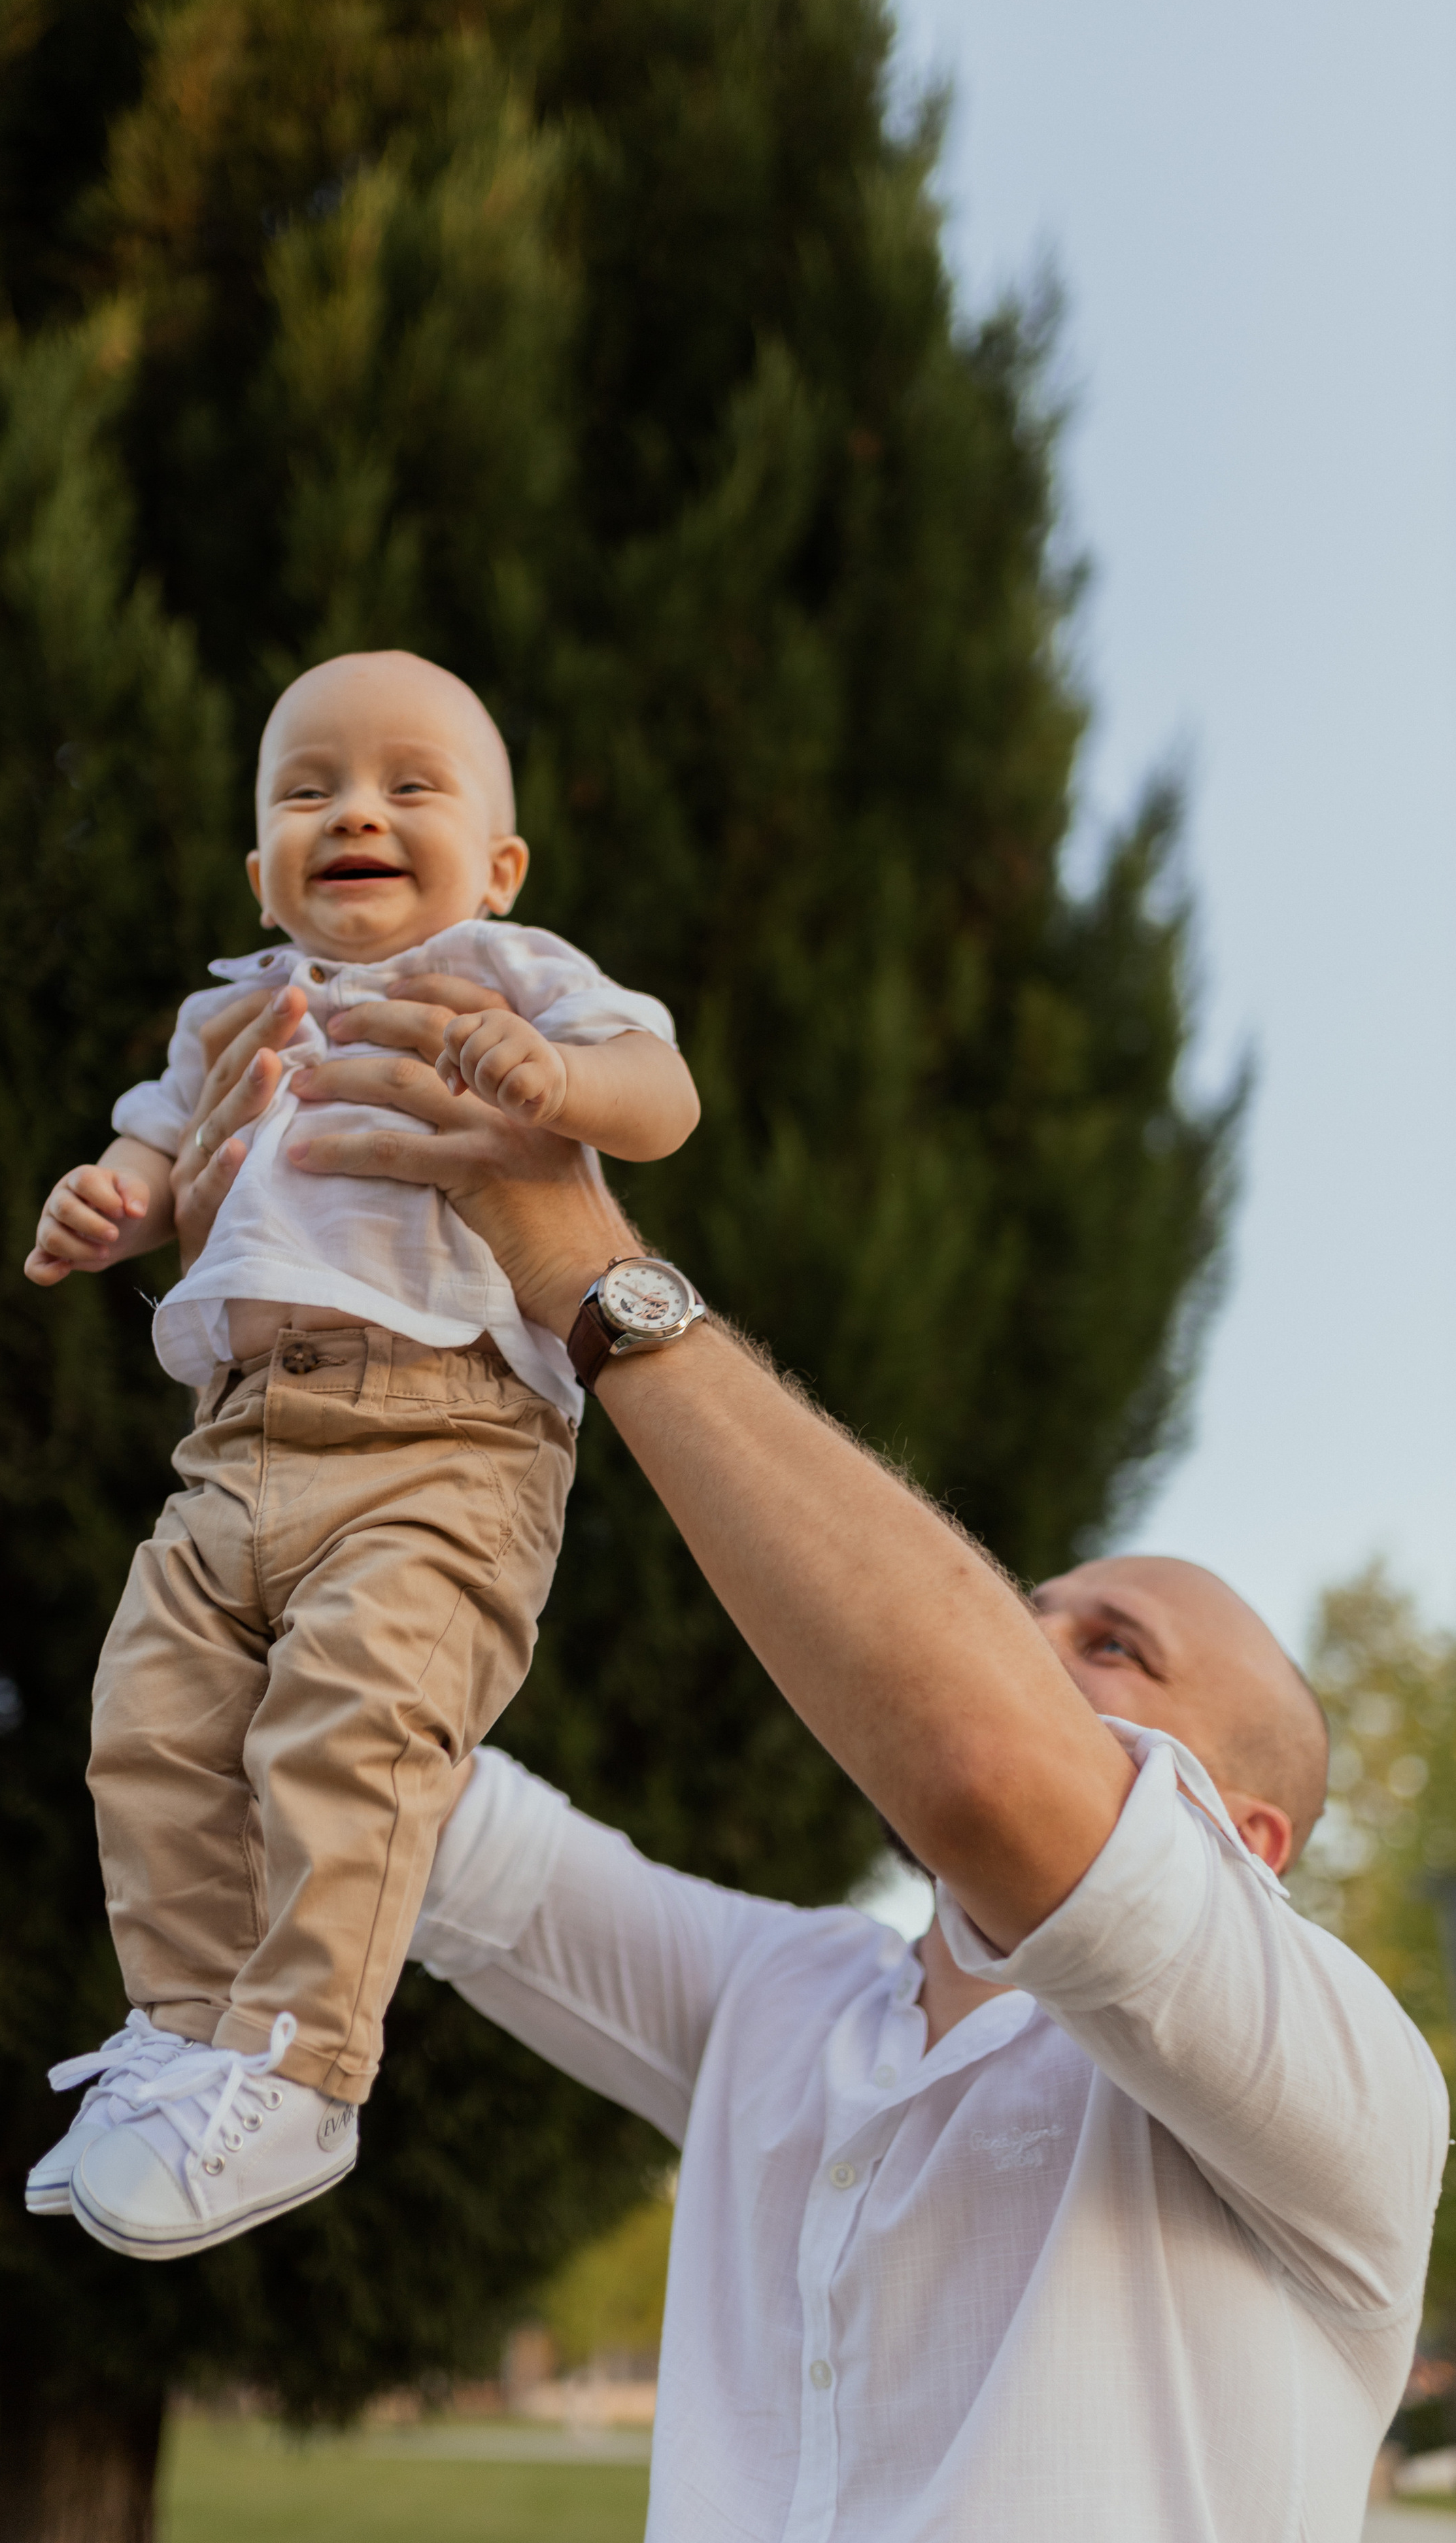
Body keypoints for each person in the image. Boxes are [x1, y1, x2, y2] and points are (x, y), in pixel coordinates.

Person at [162, 981, 1448, 2541]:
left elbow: (991, 1768)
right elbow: (372, 1783)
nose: (1029, 1653)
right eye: (1020, 1616)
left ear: (1249, 1841)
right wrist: (279, 1388)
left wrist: (581, 1259)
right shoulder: (779, 2001)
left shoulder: (1349, 2078)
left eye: (1111, 1650)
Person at [18, 651, 698, 2261]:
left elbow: (657, 1092)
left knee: (353, 1718)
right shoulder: (227, 1011)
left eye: (410, 785)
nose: (358, 813)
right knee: (151, 1720)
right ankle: (183, 2040)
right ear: (261, 869)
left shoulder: (511, 966)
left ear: (499, 861)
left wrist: (561, 1080)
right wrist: (110, 1204)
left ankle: (303, 2065)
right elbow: (147, 1159)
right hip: (240, 1440)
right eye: (308, 790)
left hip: (444, 1434)